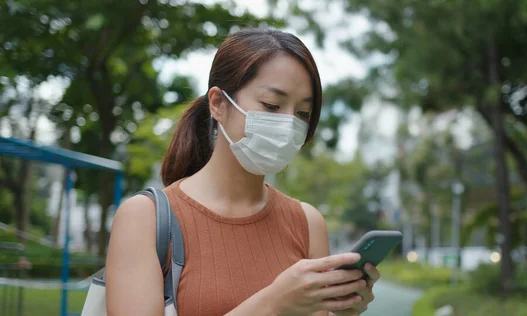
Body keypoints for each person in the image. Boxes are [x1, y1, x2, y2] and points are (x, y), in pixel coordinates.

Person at [105, 28, 380, 316]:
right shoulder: (144, 218)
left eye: (302, 114)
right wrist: (272, 304)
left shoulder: (307, 223)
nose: (288, 125)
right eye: (271, 105)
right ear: (218, 104)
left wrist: (340, 310)